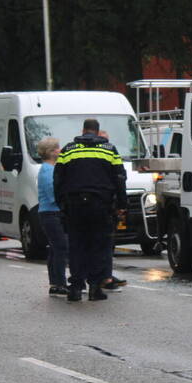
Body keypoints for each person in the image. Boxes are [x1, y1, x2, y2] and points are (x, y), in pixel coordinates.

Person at [54, 119, 127, 302]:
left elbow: (58, 179)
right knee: (98, 246)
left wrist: (61, 204)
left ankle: (76, 288)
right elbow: (119, 178)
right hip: (101, 206)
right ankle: (95, 288)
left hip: (75, 206)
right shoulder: (109, 150)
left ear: (83, 130)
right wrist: (122, 205)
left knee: (77, 245)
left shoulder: (68, 150)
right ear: (97, 131)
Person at [35, 137, 68, 296]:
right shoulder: (48, 171)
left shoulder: (47, 169)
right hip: (51, 213)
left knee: (56, 248)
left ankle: (55, 282)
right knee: (61, 247)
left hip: (48, 212)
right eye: (57, 148)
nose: (60, 150)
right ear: (52, 151)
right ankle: (59, 283)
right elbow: (52, 193)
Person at [96, 129, 126, 291]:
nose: (105, 143)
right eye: (102, 139)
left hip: (110, 206)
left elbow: (121, 177)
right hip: (100, 206)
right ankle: (100, 277)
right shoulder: (97, 157)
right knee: (99, 243)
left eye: (107, 140)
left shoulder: (111, 153)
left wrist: (121, 205)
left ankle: (106, 275)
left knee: (108, 244)